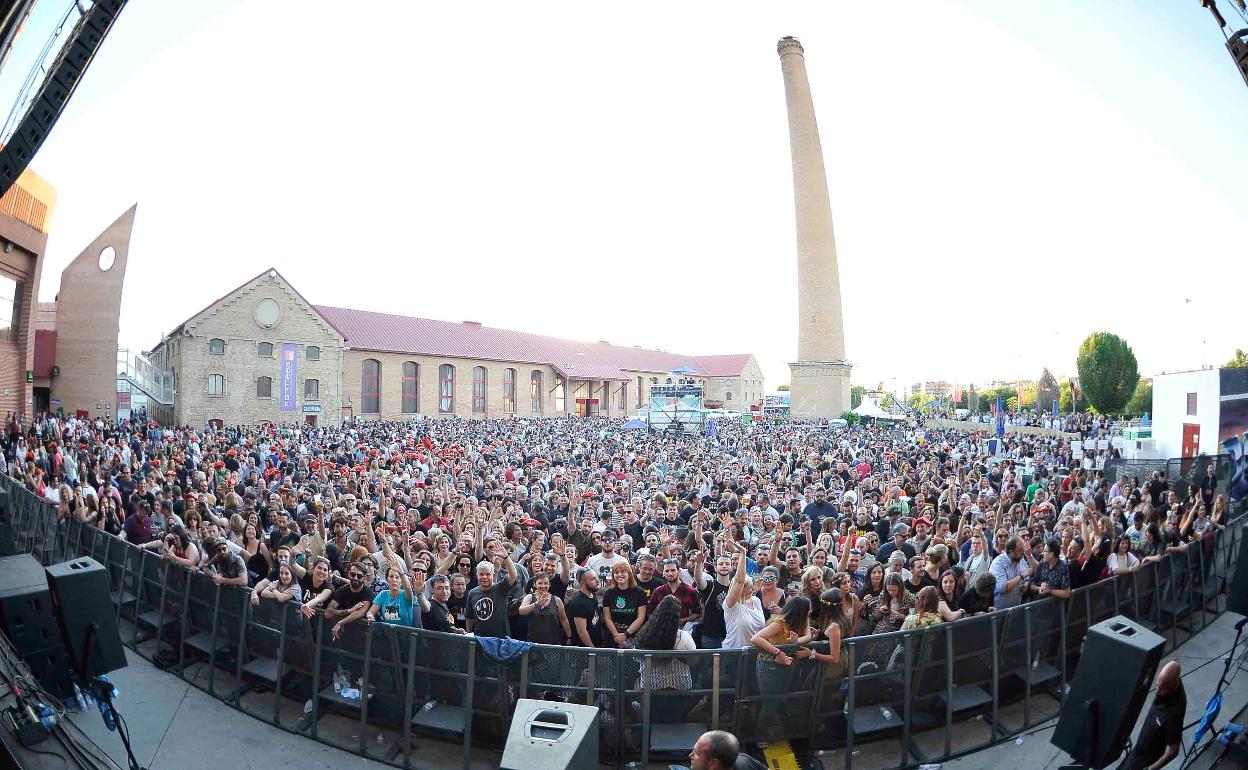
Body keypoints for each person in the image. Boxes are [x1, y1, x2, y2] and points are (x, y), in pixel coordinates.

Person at [1120, 661, 1185, 770]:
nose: (1156, 691)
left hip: (1145, 761)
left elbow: (1174, 750)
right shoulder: (1171, 682)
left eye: (1161, 688)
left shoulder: (1174, 714)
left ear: (1173, 687)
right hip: (1138, 750)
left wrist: (1150, 769)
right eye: (1157, 685)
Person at [465, 541, 518, 637]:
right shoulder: (472, 593)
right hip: (480, 639)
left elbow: (513, 575)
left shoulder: (500, 588)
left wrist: (506, 557)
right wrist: (469, 633)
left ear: (493, 575)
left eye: (487, 574)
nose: (484, 577)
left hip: (500, 639)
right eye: (481, 574)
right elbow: (469, 617)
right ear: (477, 576)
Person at [602, 562, 647, 647]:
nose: (619, 575)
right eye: (616, 572)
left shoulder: (639, 592)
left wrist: (625, 635)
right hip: (613, 636)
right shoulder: (609, 593)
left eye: (623, 572)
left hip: (633, 636)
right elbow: (607, 618)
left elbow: (641, 618)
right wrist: (617, 636)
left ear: (629, 574)